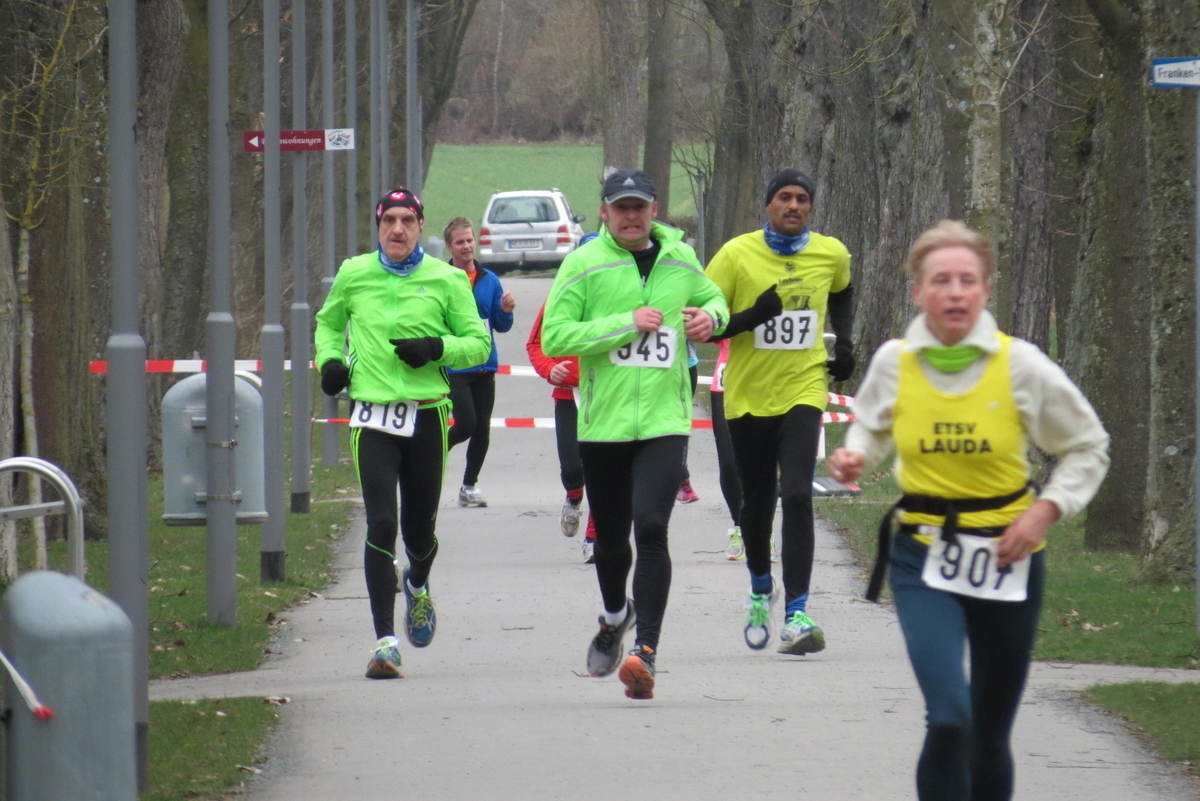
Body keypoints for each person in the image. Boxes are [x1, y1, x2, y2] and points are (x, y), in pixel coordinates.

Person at [827, 219, 1110, 801]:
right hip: (922, 555)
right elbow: (873, 427)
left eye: (967, 280)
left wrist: (1045, 511)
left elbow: (1088, 446)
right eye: (941, 280)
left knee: (988, 733)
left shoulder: (1021, 366)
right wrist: (854, 456)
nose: (955, 291)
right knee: (950, 717)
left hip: (1009, 557)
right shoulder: (895, 361)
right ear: (917, 292)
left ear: (984, 290)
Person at [543, 168, 728, 700]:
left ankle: (645, 652)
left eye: (639, 207)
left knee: (651, 527)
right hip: (604, 424)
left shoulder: (681, 259)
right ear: (604, 212)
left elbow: (715, 300)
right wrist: (626, 322)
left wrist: (708, 320)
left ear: (654, 211)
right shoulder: (583, 264)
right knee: (610, 539)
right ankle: (613, 614)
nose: (630, 216)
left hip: (666, 422)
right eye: (620, 207)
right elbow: (557, 335)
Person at [314, 188, 490, 680]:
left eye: (407, 220)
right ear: (378, 226)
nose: (397, 229)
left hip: (428, 414)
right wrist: (329, 362)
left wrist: (436, 348)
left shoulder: (447, 278)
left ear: (419, 226)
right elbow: (327, 326)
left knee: (419, 530)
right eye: (388, 220)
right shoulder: (354, 274)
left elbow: (477, 343)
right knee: (380, 524)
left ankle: (416, 582)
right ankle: (384, 643)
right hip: (372, 414)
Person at [705, 168, 855, 655]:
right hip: (747, 393)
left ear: (811, 208)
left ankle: (797, 612)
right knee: (757, 500)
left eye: (802, 199)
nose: (794, 206)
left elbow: (842, 288)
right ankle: (759, 585)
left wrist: (846, 339)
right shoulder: (735, 255)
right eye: (784, 198)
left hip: (803, 386)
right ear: (768, 205)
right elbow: (707, 325)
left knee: (796, 493)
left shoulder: (830, 253)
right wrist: (754, 317)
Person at [442, 216, 517, 508]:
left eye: (470, 240)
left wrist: (507, 310)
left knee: (482, 428)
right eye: (460, 242)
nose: (466, 246)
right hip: (456, 365)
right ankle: (428, 454)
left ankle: (469, 487)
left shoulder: (490, 280)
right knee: (466, 424)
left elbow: (501, 325)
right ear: (450, 246)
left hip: (485, 364)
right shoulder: (442, 278)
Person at [526, 299, 598, 562]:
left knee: (602, 471)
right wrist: (550, 369)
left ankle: (593, 538)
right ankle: (574, 496)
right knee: (572, 467)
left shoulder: (619, 292)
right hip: (569, 395)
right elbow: (534, 344)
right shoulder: (559, 298)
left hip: (609, 395)